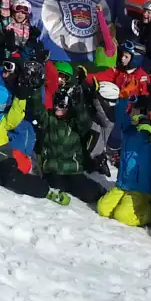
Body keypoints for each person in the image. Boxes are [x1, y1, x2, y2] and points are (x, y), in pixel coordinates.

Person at [35, 75, 107, 206]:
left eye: (62, 105)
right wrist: (35, 89)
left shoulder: (75, 122)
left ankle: (101, 192)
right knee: (57, 186)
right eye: (56, 103)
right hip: (53, 169)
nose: (58, 107)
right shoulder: (49, 119)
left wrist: (78, 105)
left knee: (88, 193)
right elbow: (38, 109)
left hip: (73, 170)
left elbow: (85, 122)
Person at [95, 97, 151, 227]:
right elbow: (120, 116)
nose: (131, 113)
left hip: (141, 189)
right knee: (102, 208)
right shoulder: (129, 130)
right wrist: (123, 97)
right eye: (131, 110)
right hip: (123, 185)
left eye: (135, 111)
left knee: (122, 216)